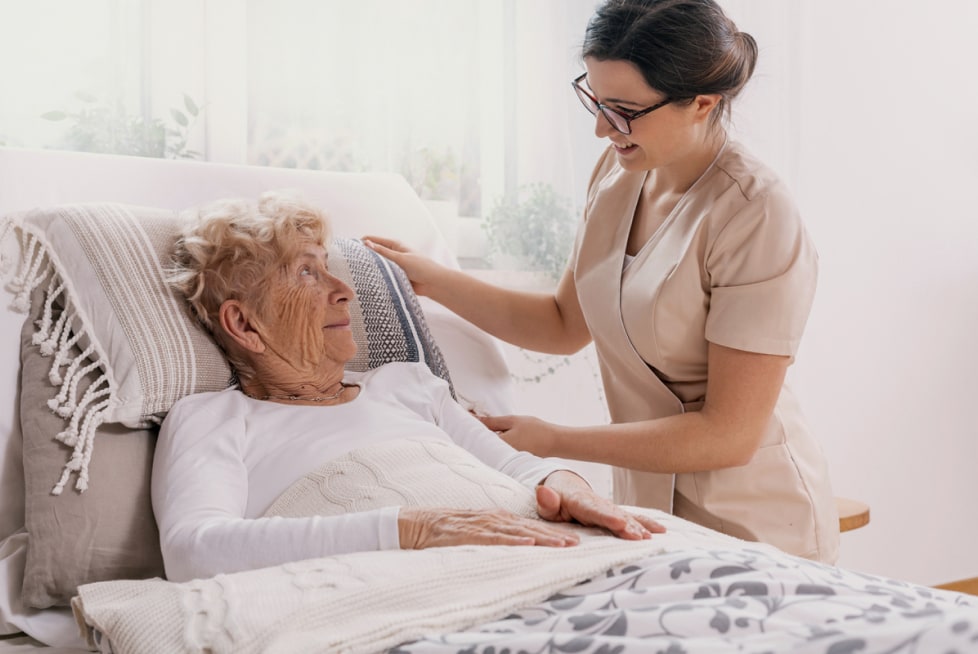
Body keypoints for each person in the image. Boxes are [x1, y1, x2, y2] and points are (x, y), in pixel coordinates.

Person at [365, 0, 839, 563]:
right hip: (648, 509)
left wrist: (553, 439)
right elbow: (564, 323)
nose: (599, 128)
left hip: (756, 518)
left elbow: (729, 435)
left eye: (622, 110)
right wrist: (431, 279)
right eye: (594, 99)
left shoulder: (756, 214)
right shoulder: (620, 170)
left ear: (703, 103)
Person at [153, 191, 663, 583]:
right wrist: (415, 529)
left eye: (328, 267)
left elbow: (516, 468)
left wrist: (567, 483)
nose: (343, 290)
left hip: (550, 560)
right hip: (427, 587)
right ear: (244, 325)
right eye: (307, 273)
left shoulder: (409, 384)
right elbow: (193, 549)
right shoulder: (213, 419)